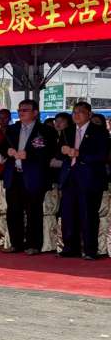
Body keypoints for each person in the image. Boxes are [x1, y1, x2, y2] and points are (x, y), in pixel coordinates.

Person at [0, 99, 56, 255]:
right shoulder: (12, 129)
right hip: (14, 174)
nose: (21, 113)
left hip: (33, 176)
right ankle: (15, 243)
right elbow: (3, 146)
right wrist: (8, 152)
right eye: (19, 110)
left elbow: (49, 152)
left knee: (33, 211)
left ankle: (33, 244)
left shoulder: (45, 130)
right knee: (13, 211)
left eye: (25, 110)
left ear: (35, 113)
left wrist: (29, 154)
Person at [57, 102, 109, 260]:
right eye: (74, 112)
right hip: (69, 176)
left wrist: (79, 154)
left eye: (80, 112)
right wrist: (63, 151)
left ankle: (90, 250)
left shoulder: (99, 132)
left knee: (88, 214)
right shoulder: (68, 131)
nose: (76, 115)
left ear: (89, 114)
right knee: (68, 214)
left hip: (89, 178)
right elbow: (59, 153)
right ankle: (69, 247)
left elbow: (102, 156)